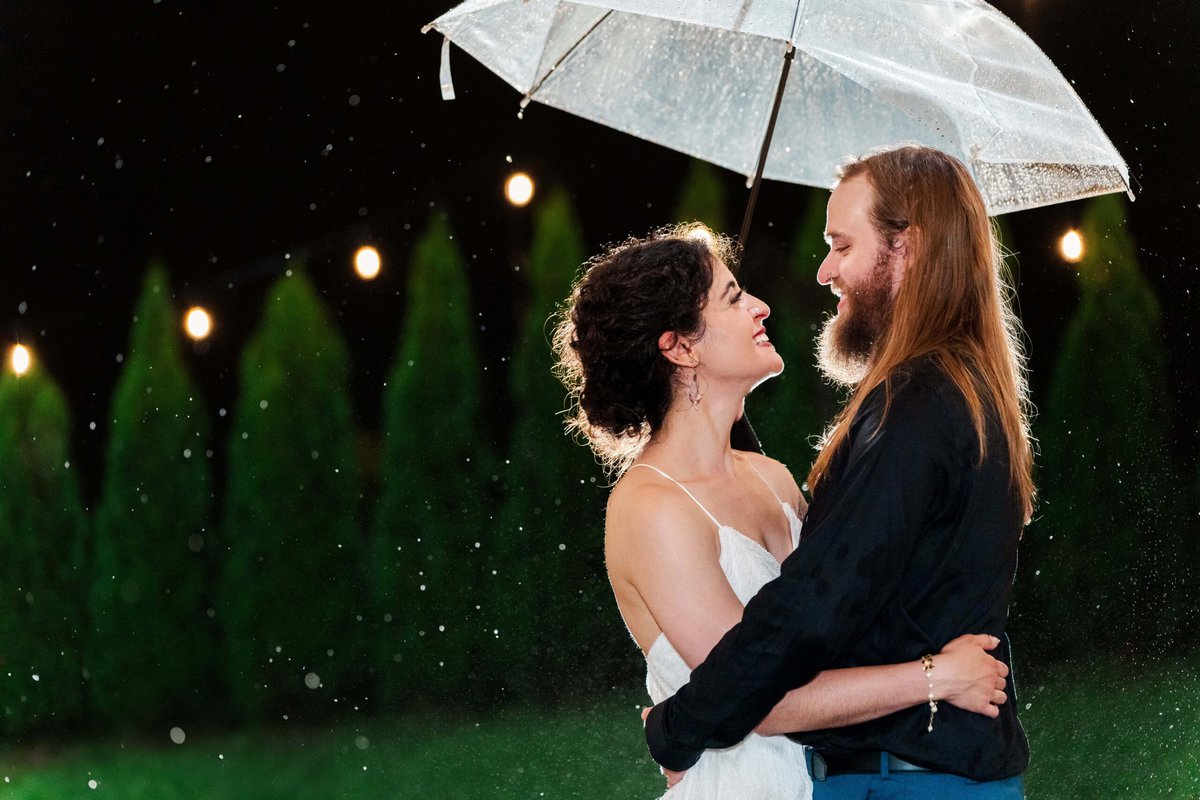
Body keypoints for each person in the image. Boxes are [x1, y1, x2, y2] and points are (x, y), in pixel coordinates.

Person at [552, 222, 1011, 800]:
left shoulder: (769, 477)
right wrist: (936, 677)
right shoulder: (652, 508)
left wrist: (677, 726)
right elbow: (759, 696)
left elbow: (834, 626)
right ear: (680, 346)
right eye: (734, 298)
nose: (761, 307)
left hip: (829, 782)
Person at [641, 146, 1035, 799]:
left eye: (841, 245)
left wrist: (677, 729)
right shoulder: (956, 391)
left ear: (906, 250)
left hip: (903, 786)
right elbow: (858, 563)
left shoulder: (918, 406)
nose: (825, 270)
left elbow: (812, 607)